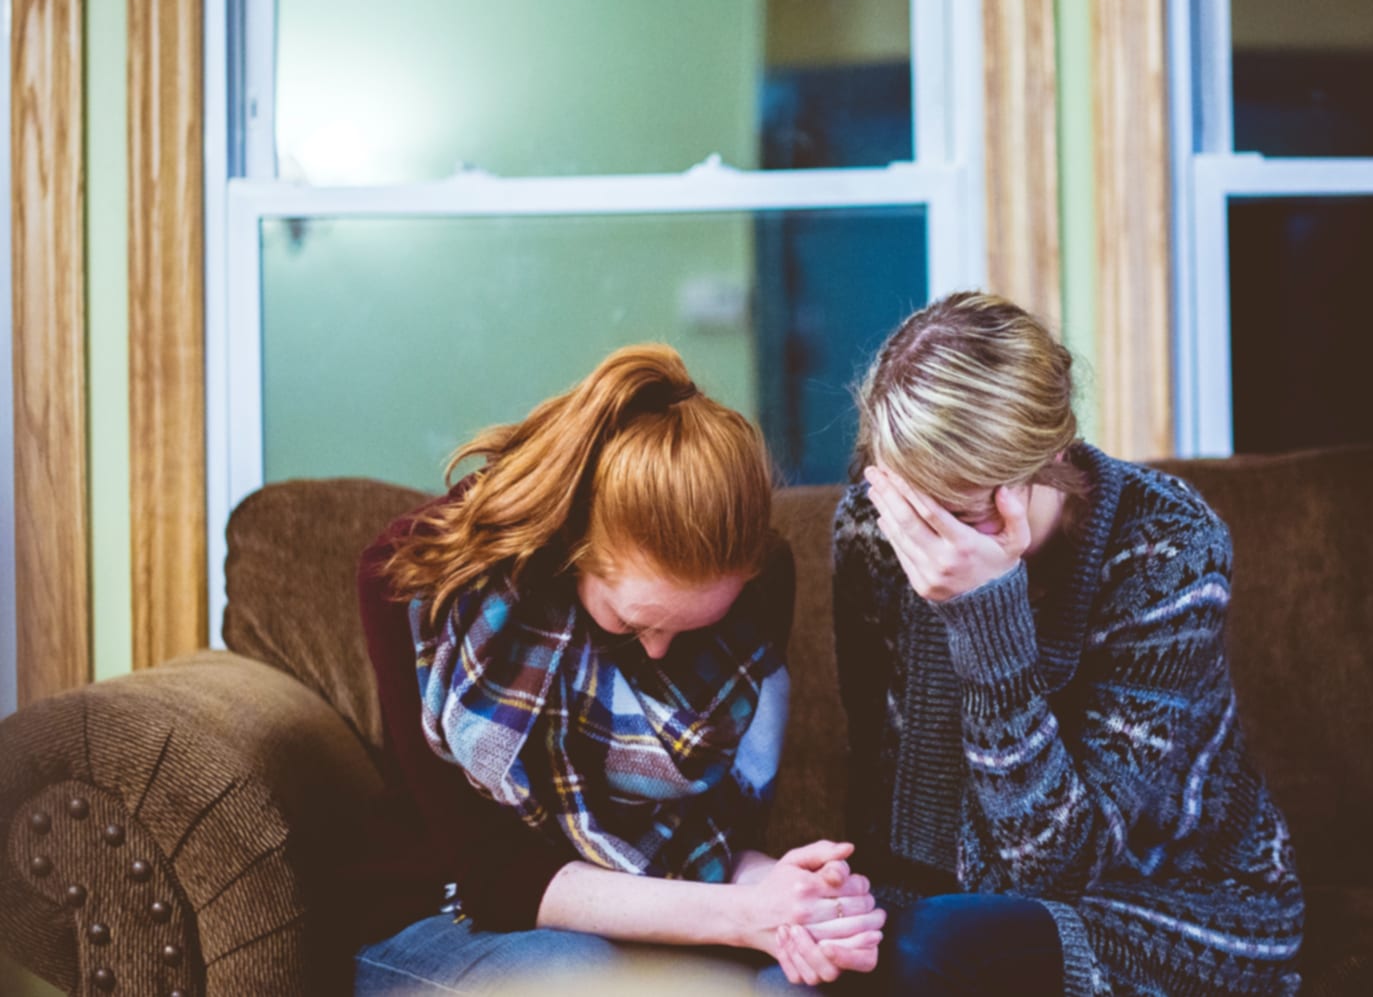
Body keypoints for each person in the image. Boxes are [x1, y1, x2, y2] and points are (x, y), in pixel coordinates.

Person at [349, 345, 885, 993]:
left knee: (797, 982)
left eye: (694, 628)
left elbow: (709, 847)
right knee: (583, 979)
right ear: (574, 548)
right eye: (633, 624)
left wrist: (795, 897)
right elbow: (493, 876)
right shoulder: (418, 580)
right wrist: (745, 916)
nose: (658, 650)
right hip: (448, 914)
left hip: (660, 912)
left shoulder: (759, 586)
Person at [826, 293, 1305, 996]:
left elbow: (1053, 870)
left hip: (1178, 907)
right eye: (907, 500)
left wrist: (987, 621)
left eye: (955, 512)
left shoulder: (1170, 549)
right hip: (956, 907)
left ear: (1048, 456)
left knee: (936, 946)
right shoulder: (875, 529)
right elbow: (884, 793)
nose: (920, 538)